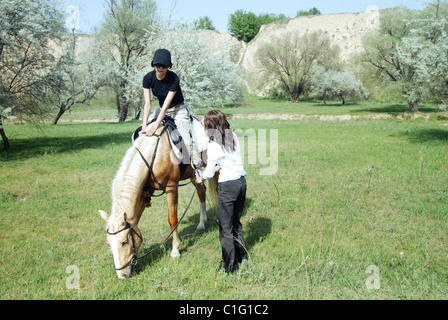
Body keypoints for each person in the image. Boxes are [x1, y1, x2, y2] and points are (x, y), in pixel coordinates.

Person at [195, 110, 247, 273]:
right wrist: (214, 169)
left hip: (228, 186)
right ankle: (241, 255)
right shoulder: (233, 137)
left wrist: (201, 177)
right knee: (236, 222)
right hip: (241, 183)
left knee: (225, 227)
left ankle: (229, 265)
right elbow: (227, 161)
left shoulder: (213, 145)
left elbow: (210, 173)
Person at [140, 49, 199, 166]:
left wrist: (155, 126)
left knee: (186, 142)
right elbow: (147, 104)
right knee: (139, 134)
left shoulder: (174, 79)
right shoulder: (148, 78)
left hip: (178, 110)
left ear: (168, 66)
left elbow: (166, 104)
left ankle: (198, 168)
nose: (160, 68)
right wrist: (144, 126)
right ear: (153, 64)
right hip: (162, 110)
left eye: (164, 65)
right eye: (158, 65)